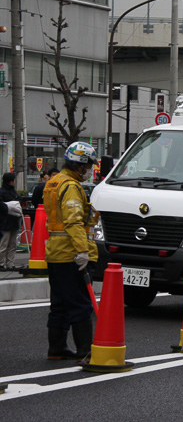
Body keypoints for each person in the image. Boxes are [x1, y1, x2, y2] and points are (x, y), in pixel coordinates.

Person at [44, 142, 100, 360]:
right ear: (80, 165)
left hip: (56, 253)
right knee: (80, 304)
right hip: (72, 254)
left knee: (59, 303)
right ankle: (86, 351)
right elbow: (74, 221)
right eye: (87, 166)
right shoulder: (71, 186)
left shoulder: (54, 182)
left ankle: (56, 349)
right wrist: (83, 250)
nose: (88, 170)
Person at [0, 173, 22, 271]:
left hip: (9, 221)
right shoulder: (9, 193)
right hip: (7, 222)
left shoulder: (6, 192)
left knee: (10, 244)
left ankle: (6, 263)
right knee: (6, 244)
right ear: (11, 181)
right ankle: (5, 263)